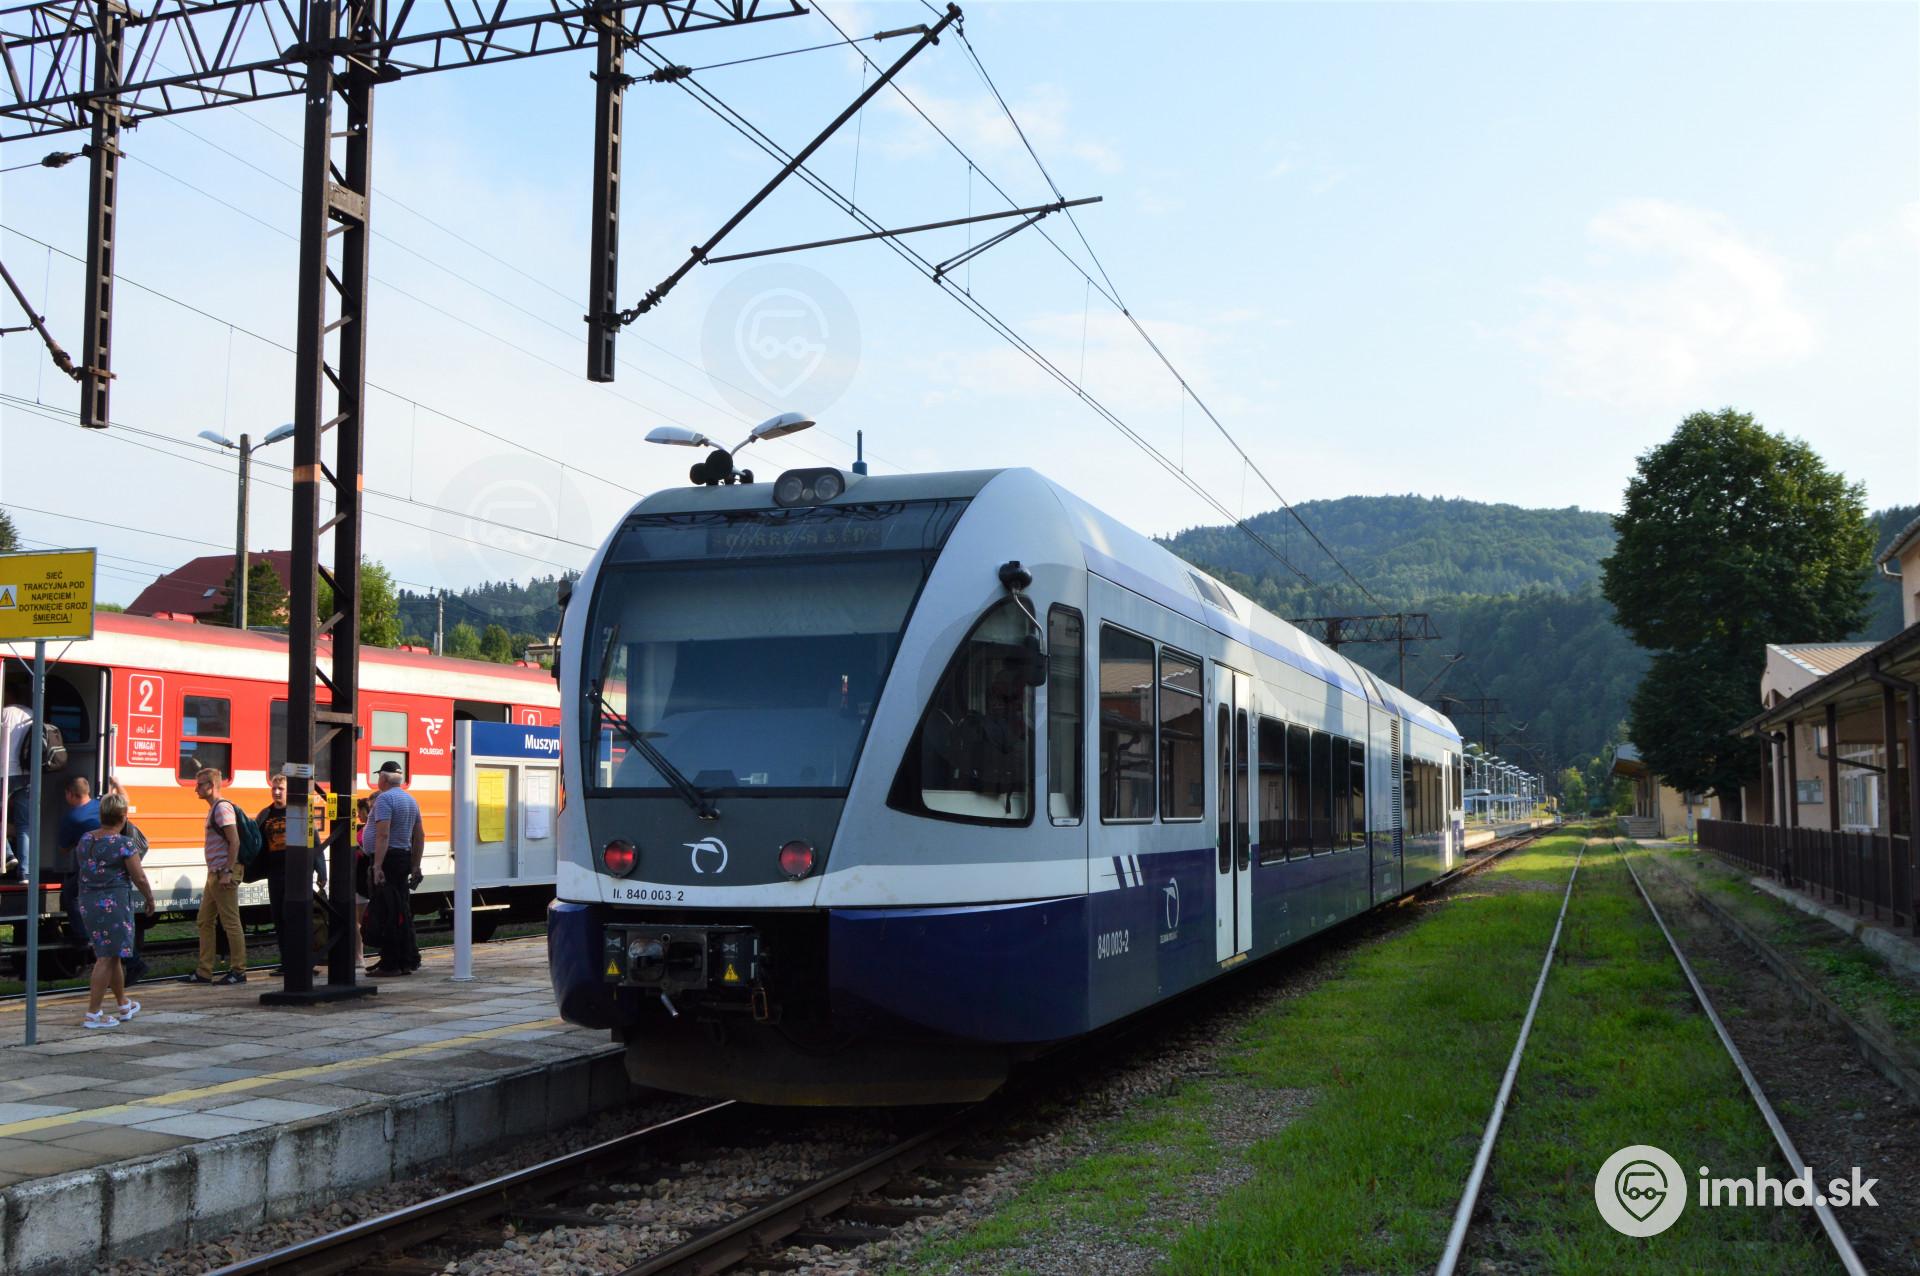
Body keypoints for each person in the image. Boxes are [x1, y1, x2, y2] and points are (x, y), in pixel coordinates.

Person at [74, 792, 156, 1029]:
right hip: (114, 904)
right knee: (106, 957)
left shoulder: (86, 839)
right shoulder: (124, 844)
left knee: (114, 954)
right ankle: (93, 1014)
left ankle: (123, 1004)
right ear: (123, 817)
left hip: (88, 902)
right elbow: (139, 877)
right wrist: (149, 898)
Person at [188, 767, 247, 984]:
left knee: (230, 922)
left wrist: (228, 871)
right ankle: (204, 971)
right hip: (215, 872)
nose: (196, 789)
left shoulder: (222, 809)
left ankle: (239, 971)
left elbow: (235, 841)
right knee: (205, 920)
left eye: (199, 785)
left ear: (211, 786)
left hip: (224, 872)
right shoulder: (214, 809)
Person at [366, 760, 421, 976]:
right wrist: (415, 865)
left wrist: (377, 865)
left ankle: (390, 963)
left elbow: (383, 834)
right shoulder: (411, 800)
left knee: (386, 911)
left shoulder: (384, 799)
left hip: (388, 860)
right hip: (403, 859)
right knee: (401, 911)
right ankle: (405, 960)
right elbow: (420, 835)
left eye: (379, 776)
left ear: (384, 778)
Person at [55, 775, 100, 944]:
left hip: (90, 866)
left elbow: (63, 849)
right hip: (111, 863)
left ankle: (82, 936)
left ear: (71, 794)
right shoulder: (102, 806)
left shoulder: (72, 818)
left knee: (70, 894)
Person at [0, 680, 30, 879]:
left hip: (4, 772)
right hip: (26, 774)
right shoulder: (31, 714)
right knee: (24, 824)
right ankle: (25, 873)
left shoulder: (3, 713)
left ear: (8, 694)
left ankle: (8, 854)